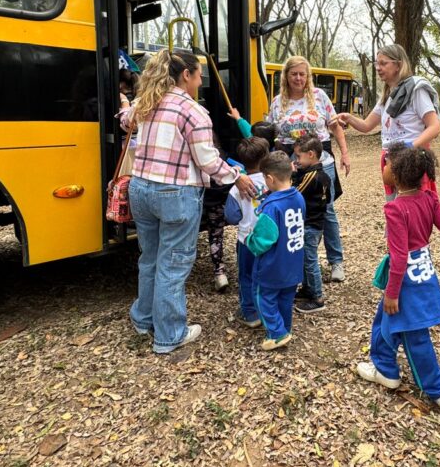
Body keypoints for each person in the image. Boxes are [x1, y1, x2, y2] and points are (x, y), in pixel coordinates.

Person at [120, 49, 256, 354]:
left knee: (150, 258)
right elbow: (207, 160)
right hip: (175, 194)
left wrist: (125, 103)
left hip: (140, 189)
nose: (201, 80)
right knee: (174, 263)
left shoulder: (147, 101)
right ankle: (169, 335)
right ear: (186, 76)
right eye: (199, 74)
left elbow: (125, 120)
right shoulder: (194, 111)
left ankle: (143, 320)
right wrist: (237, 175)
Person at [356, 144, 440, 411]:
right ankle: (385, 369)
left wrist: (392, 292)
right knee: (384, 318)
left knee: (415, 335)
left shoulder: (395, 209)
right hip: (424, 272)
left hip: (405, 280)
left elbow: (399, 256)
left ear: (397, 174)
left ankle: (438, 389)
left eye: (387, 163)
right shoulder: (429, 199)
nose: (383, 167)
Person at [266, 56, 350, 282]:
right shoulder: (277, 102)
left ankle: (336, 261)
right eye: (294, 73)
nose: (298, 78)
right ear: (286, 76)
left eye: (302, 74)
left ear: (308, 76)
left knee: (327, 209)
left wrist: (345, 153)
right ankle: (294, 259)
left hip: (320, 158)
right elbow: (270, 132)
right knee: (292, 208)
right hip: (290, 158)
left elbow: (335, 127)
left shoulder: (319, 97)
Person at [334, 45, 440, 199]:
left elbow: (435, 127)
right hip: (391, 160)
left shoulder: (416, 90)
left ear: (398, 65)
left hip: (411, 160)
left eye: (383, 63)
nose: (378, 68)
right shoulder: (387, 95)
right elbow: (366, 126)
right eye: (377, 64)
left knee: (416, 209)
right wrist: (348, 117)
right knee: (395, 207)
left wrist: (410, 148)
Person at [246, 152, 306, 351]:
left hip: (272, 267)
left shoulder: (271, 207)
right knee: (285, 298)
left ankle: (277, 333)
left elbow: (264, 240)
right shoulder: (298, 197)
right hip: (294, 263)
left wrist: (249, 240)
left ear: (269, 178)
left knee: (263, 297)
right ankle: (285, 327)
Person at [224, 136, 271, 328]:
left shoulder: (237, 188)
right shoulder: (273, 180)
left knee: (246, 276)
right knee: (268, 274)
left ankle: (250, 313)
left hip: (247, 240)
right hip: (270, 238)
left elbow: (232, 217)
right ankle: (269, 310)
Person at [291, 135, 331, 313]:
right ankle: (307, 288)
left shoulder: (311, 176)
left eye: (298, 157)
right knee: (306, 258)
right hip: (315, 223)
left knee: (310, 260)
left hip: (310, 225)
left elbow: (295, 192)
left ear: (311, 154)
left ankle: (317, 297)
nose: (296, 161)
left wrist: (292, 174)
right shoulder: (322, 175)